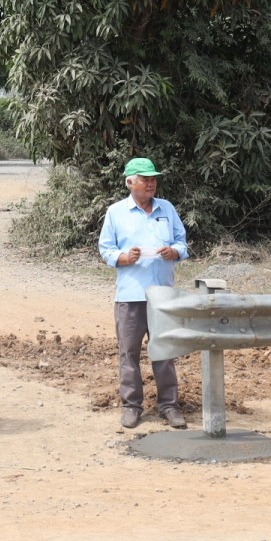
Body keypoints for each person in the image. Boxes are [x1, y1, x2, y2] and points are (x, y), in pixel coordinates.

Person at [97, 157, 189, 430]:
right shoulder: (115, 212)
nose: (151, 184)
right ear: (130, 182)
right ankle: (131, 407)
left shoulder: (167, 208)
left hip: (162, 295)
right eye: (145, 179)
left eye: (153, 179)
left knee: (164, 351)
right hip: (131, 295)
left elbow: (181, 241)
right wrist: (124, 258)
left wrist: (175, 252)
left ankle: (169, 406)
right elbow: (106, 249)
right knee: (129, 353)